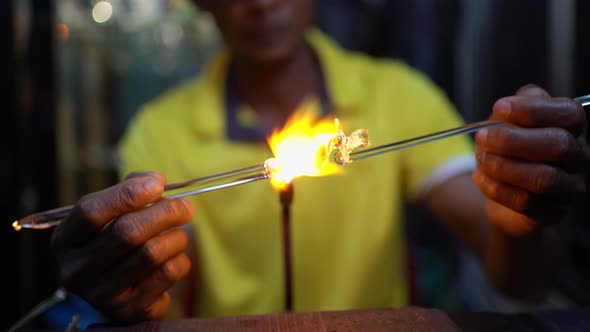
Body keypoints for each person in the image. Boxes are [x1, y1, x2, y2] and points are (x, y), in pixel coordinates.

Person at [50, 0, 589, 323]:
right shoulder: (159, 129)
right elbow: (153, 271)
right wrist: (128, 276)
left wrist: (519, 214)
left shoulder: (397, 97)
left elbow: (521, 282)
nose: (261, 3)